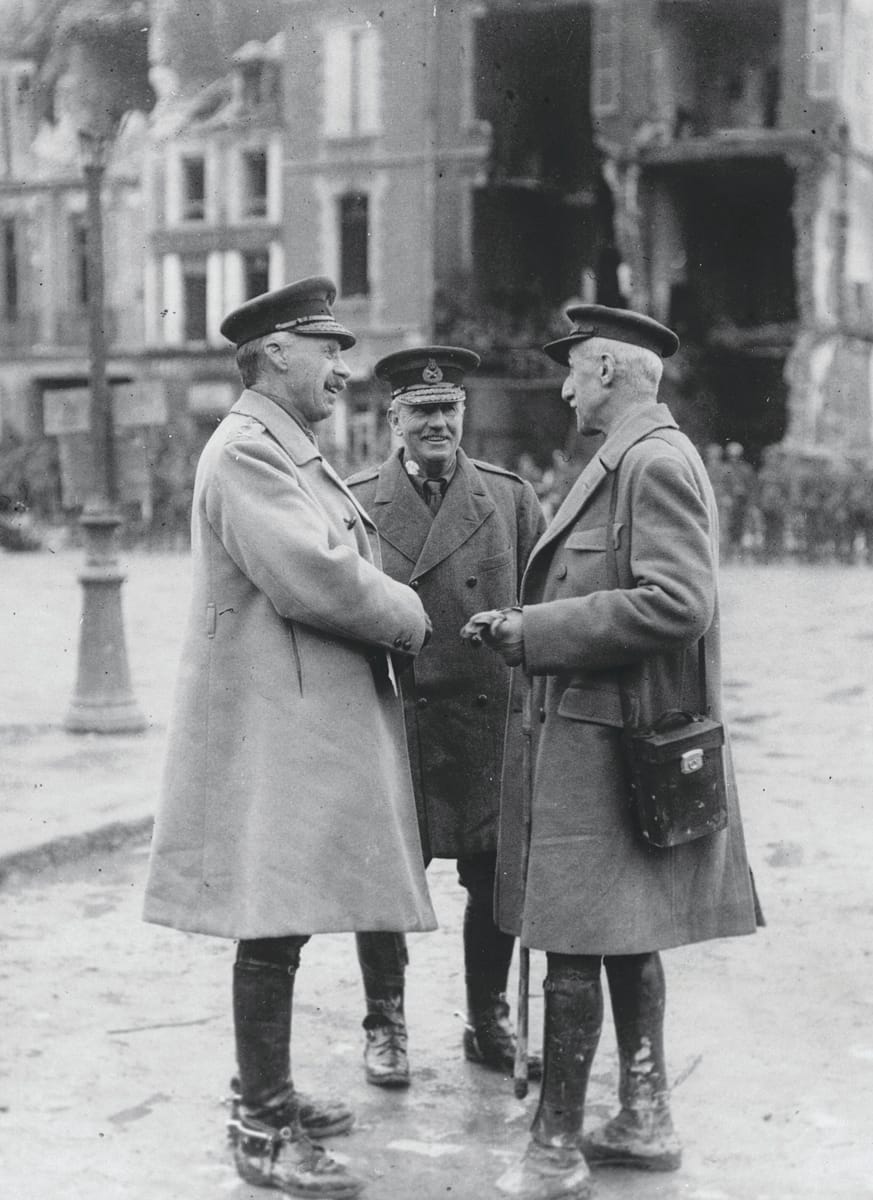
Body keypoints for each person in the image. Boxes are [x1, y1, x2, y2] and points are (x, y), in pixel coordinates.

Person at [142, 278, 437, 1198]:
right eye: (329, 350)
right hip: (277, 726)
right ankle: (259, 1121)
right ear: (276, 352)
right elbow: (317, 577)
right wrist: (410, 613)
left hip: (299, 718)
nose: (343, 371)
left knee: (287, 912)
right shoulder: (247, 452)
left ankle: (266, 1092)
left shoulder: (282, 446)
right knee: (270, 919)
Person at [463, 304, 760, 1199]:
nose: (559, 388)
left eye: (572, 371)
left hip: (609, 741)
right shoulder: (628, 459)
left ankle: (554, 1148)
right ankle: (642, 1114)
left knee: (572, 944)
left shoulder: (652, 462)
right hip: (607, 735)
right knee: (623, 935)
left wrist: (537, 631)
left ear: (607, 372)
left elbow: (678, 602)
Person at [346, 346, 546, 1087]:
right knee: (384, 879)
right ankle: (385, 1023)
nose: (437, 424)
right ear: (394, 421)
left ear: (463, 414)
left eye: (448, 410)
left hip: (485, 723)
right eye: (421, 412)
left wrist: (517, 622)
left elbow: (543, 600)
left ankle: (486, 1018)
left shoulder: (509, 498)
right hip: (397, 719)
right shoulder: (357, 499)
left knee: (494, 877)